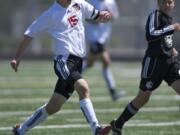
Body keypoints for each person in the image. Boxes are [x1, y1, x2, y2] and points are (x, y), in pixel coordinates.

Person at [10, 0, 113, 135]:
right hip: (63, 61)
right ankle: (96, 129)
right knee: (83, 88)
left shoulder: (80, 4)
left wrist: (104, 16)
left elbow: (97, 15)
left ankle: (21, 130)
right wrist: (17, 58)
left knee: (54, 106)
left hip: (77, 62)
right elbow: (29, 34)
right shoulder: (51, 14)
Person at [99, 0, 180, 134]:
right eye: (163, 2)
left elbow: (164, 39)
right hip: (153, 63)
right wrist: (171, 28)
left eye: (169, 2)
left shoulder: (168, 18)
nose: (167, 5)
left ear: (173, 4)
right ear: (158, 3)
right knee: (143, 98)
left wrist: (170, 49)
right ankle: (117, 125)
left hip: (169, 63)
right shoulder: (155, 15)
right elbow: (151, 34)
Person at [83, 0, 125, 101]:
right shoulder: (91, 1)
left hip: (102, 38)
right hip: (94, 37)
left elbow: (115, 16)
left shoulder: (111, 2)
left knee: (90, 64)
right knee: (106, 61)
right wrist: (98, 18)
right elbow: (84, 16)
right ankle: (113, 92)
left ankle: (70, 76)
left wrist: (109, 14)